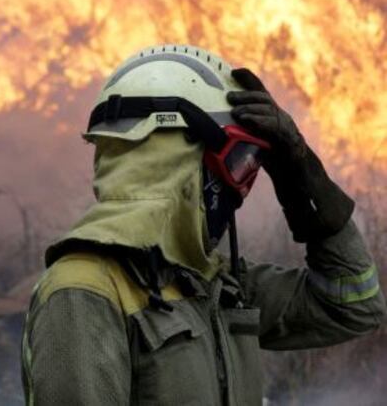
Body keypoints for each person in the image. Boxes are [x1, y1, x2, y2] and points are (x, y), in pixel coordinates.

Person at [21, 44, 386, 406]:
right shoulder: (83, 292)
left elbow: (352, 304)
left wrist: (300, 174)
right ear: (176, 161)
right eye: (240, 160)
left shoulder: (214, 284)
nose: (240, 189)